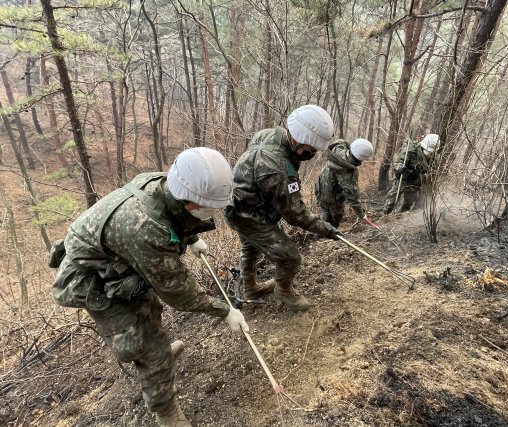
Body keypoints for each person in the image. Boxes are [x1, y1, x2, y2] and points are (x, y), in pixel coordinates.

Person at [49, 148, 249, 427]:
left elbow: (175, 216)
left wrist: (190, 240)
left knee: (151, 307)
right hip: (94, 279)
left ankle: (161, 354)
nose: (211, 212)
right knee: (146, 345)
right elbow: (180, 293)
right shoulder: (146, 228)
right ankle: (165, 410)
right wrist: (224, 310)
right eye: (208, 206)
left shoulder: (167, 184)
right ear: (190, 199)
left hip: (123, 261)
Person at [224, 105, 340, 311]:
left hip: (242, 205)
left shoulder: (271, 134)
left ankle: (250, 289)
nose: (312, 153)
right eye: (310, 149)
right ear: (296, 140)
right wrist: (326, 229)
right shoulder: (277, 167)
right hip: (249, 215)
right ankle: (284, 291)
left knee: (250, 248)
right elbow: (295, 214)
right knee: (290, 257)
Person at [315, 138, 374, 227]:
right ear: (361, 158)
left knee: (325, 211)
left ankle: (319, 231)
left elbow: (340, 141)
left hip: (320, 189)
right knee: (336, 216)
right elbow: (351, 195)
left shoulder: (338, 149)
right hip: (333, 197)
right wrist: (361, 214)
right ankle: (328, 234)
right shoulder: (347, 171)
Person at [383, 133, 439, 214]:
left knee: (408, 203)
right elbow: (399, 161)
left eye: (430, 151)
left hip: (415, 181)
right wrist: (399, 168)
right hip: (403, 178)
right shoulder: (411, 149)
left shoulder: (433, 157)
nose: (428, 152)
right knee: (392, 200)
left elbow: (432, 171)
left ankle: (400, 216)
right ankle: (385, 214)